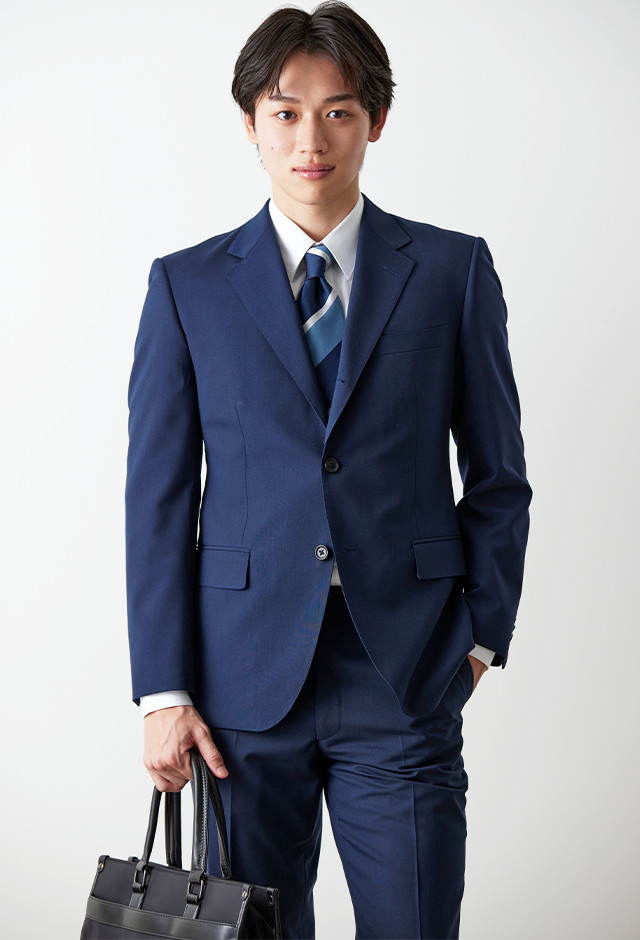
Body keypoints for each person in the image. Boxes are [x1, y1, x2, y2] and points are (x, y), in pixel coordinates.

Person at [125, 3, 531, 937]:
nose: (311, 139)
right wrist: (164, 692)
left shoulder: (453, 271)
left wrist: (478, 641)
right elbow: (157, 499)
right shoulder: (186, 286)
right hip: (238, 686)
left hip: (406, 668)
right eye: (286, 112)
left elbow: (499, 475)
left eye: (339, 111)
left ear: (375, 120)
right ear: (250, 123)